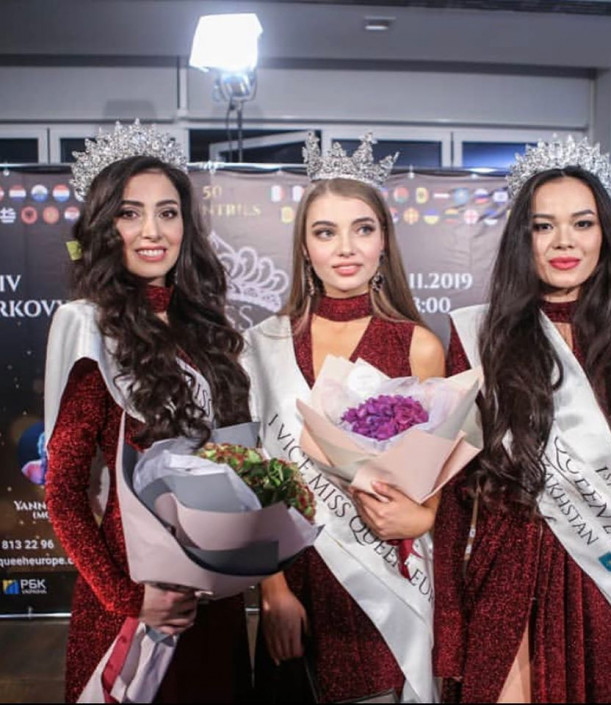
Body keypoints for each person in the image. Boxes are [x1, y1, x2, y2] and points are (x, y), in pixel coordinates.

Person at [433, 136, 611, 703]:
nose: (564, 241)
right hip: (506, 577)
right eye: (543, 226)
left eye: (582, 223)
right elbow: (456, 490)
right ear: (522, 238)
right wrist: (450, 628)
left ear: (604, 234)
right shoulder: (480, 337)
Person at [43, 121, 253, 703]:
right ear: (104, 226)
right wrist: (129, 598)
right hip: (134, 601)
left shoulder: (208, 331)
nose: (153, 231)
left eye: (167, 213)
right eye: (130, 214)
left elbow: (236, 460)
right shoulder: (90, 327)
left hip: (214, 595)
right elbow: (62, 492)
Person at [241, 133, 445, 703]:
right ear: (305, 248)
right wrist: (272, 591)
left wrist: (421, 517)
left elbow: (438, 483)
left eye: (363, 228)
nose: (346, 248)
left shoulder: (418, 345)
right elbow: (251, 478)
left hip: (382, 578)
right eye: (325, 232)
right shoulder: (264, 344)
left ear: (384, 242)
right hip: (295, 577)